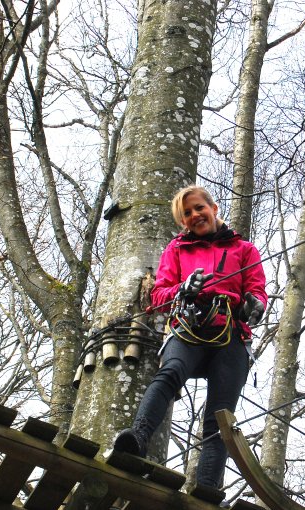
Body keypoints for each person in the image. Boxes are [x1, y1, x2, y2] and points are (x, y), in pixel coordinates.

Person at [113, 185, 267, 489]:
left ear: (214, 208)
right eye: (187, 214)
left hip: (231, 334)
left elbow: (256, 289)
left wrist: (254, 304)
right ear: (183, 222)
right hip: (189, 327)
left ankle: (208, 485)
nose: (195, 216)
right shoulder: (177, 250)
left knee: (221, 414)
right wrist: (183, 289)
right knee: (169, 374)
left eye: (199, 208)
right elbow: (159, 296)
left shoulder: (243, 250)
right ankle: (138, 438)